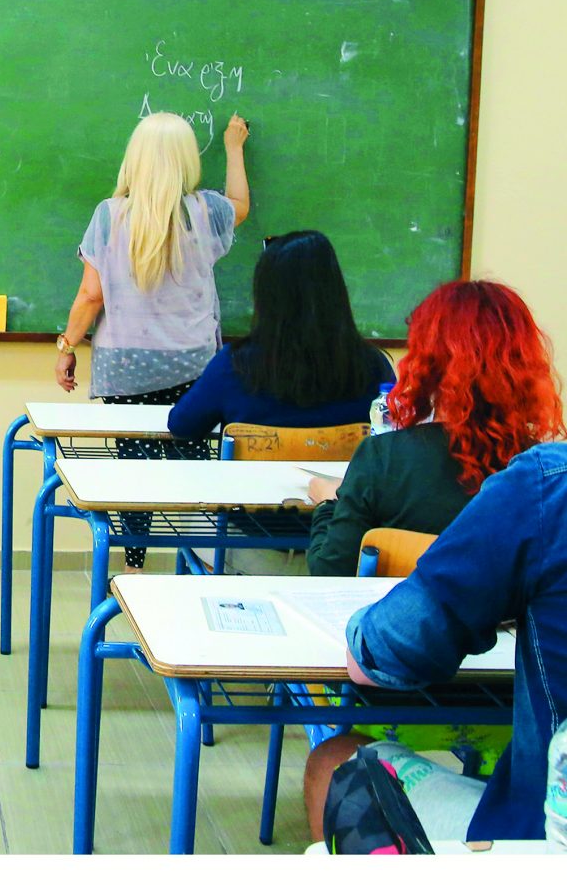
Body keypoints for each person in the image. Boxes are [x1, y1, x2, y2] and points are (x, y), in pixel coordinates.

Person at [302, 441, 567, 844]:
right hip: (499, 721)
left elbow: (381, 651)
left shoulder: (544, 489)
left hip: (540, 838)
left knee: (331, 762)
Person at [57, 110, 251, 570]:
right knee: (195, 465)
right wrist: (234, 148)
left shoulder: (110, 215)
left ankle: (134, 564)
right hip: (193, 365)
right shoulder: (207, 211)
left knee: (135, 472)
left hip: (127, 368)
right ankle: (201, 561)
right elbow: (240, 204)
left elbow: (90, 295)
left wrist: (67, 347)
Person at [306, 280, 563, 577]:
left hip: (402, 607)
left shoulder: (381, 458)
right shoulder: (546, 473)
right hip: (504, 609)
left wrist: (328, 505)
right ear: (522, 363)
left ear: (426, 361)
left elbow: (330, 571)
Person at [167, 230, 393, 440]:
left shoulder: (233, 365)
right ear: (336, 292)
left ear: (264, 296)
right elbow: (395, 428)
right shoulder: (372, 365)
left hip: (253, 473)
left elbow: (182, 425)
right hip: (343, 472)